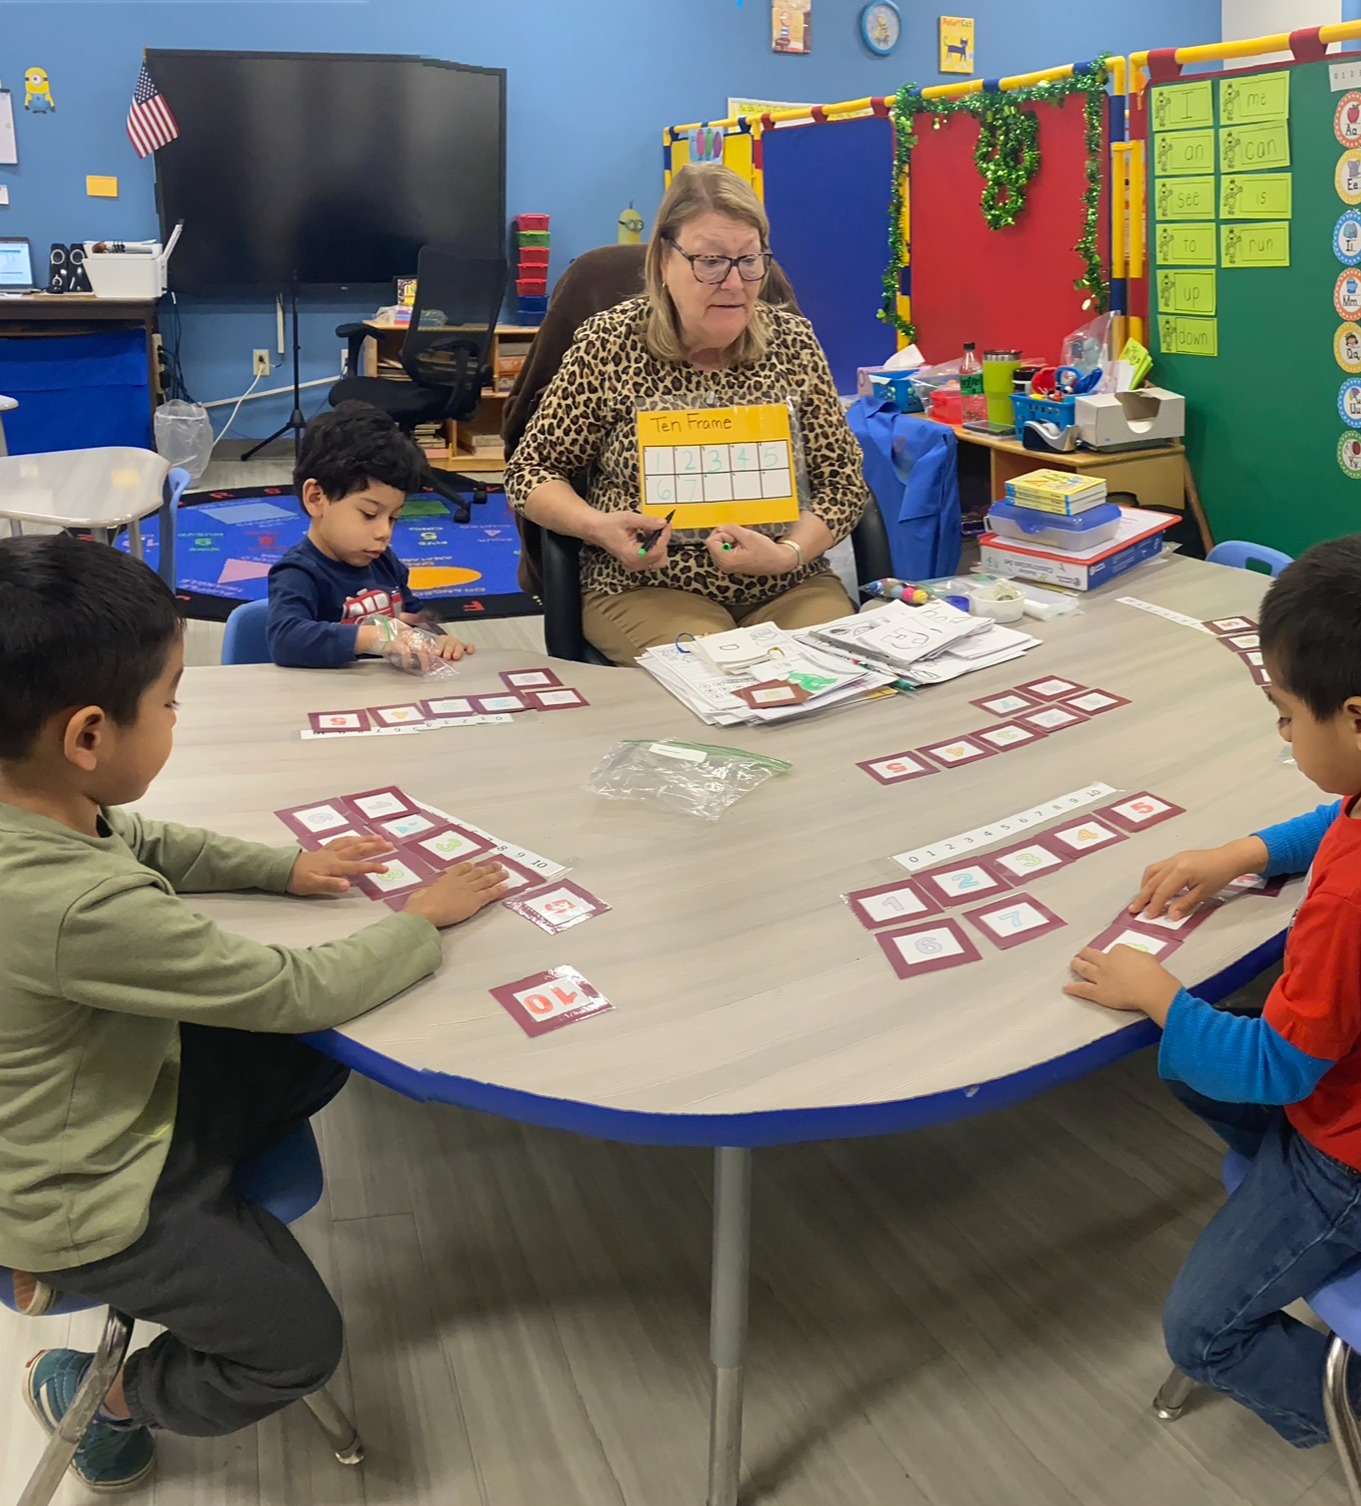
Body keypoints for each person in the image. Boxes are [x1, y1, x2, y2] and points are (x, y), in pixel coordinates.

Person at [0, 534, 510, 1490]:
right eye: (170, 702)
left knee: (320, 1054)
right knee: (298, 1345)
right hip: (79, 1192)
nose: (177, 717)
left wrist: (282, 867)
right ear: (86, 737)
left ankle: (203, 1231)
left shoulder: (40, 800)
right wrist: (419, 922)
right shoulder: (74, 905)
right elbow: (286, 989)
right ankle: (100, 1393)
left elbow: (143, 835)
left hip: (98, 1093)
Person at [1065, 533, 1361, 1504]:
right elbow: (1337, 823)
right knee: (1186, 1063)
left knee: (1200, 1330)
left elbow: (1281, 1068)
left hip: (1356, 1157)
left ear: (1356, 721)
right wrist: (1241, 853)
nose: (1279, 737)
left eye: (1282, 717)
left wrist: (1160, 996)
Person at [504, 164, 868, 666]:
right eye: (711, 261)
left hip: (787, 581)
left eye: (750, 260)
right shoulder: (610, 343)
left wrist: (787, 554)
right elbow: (532, 471)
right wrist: (598, 526)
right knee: (725, 674)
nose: (735, 283)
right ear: (663, 262)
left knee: (837, 674)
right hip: (648, 585)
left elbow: (843, 483)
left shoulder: (793, 343)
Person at [266, 401, 475, 670]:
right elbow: (285, 640)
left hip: (386, 697)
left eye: (393, 518)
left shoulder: (383, 561)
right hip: (326, 701)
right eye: (368, 514)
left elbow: (413, 616)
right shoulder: (297, 572)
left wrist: (438, 638)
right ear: (316, 498)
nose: (384, 533)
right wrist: (370, 638)